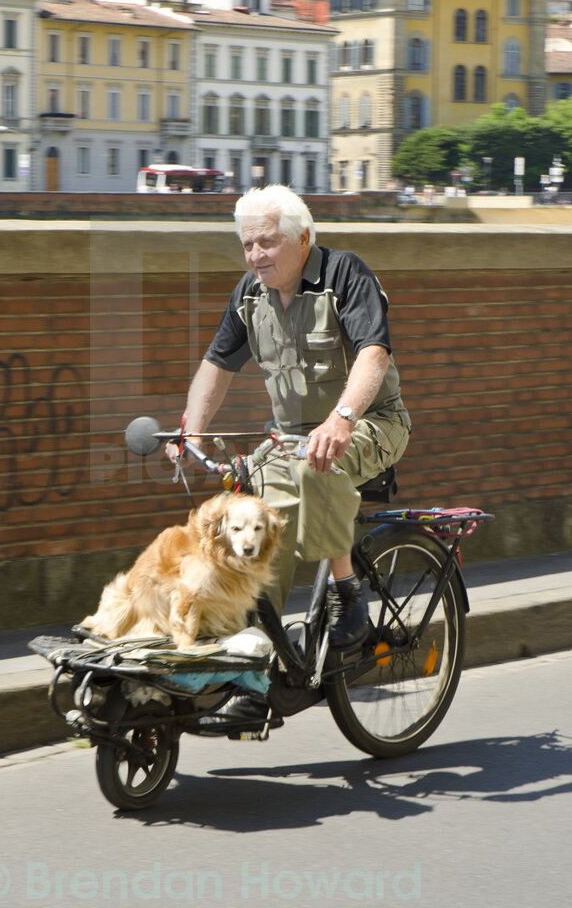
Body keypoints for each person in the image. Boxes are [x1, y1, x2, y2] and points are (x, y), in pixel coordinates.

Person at [170, 185, 411, 724]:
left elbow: (373, 354)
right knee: (240, 523)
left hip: (369, 423)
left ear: (303, 239)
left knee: (308, 470)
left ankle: (347, 595)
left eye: (268, 242)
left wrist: (341, 419)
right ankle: (254, 669)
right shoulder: (249, 294)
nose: (256, 255)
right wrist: (192, 431)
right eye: (248, 244)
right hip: (288, 438)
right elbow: (216, 364)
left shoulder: (345, 276)